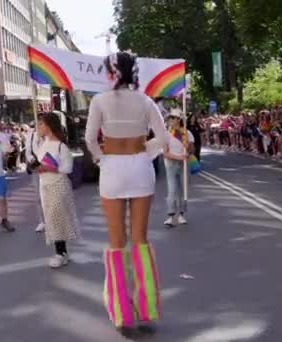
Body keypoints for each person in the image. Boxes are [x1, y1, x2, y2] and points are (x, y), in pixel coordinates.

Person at [85, 51, 169, 336]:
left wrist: (101, 159)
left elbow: (89, 138)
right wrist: (146, 153)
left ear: (111, 72)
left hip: (112, 168)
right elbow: (164, 136)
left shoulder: (99, 100)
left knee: (116, 241)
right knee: (140, 239)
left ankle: (122, 314)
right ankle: (146, 309)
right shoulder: (145, 101)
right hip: (139, 166)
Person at [34, 112, 80, 268]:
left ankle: (60, 253)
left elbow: (67, 168)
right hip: (44, 184)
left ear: (49, 125)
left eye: (41, 124)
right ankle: (62, 252)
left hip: (58, 184)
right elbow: (36, 160)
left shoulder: (61, 146)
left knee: (55, 216)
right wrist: (36, 167)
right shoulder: (41, 144)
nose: (38, 127)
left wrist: (49, 168)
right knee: (51, 218)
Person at [163, 108, 193, 227]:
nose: (171, 120)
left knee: (182, 190)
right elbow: (165, 152)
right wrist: (177, 157)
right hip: (170, 164)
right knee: (172, 190)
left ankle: (181, 215)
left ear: (179, 120)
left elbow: (192, 150)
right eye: (170, 118)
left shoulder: (187, 133)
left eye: (174, 118)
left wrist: (188, 149)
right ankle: (170, 216)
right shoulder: (166, 134)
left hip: (184, 164)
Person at [25, 119, 46, 233]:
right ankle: (42, 221)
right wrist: (35, 162)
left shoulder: (49, 135)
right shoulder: (31, 135)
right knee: (38, 196)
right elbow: (28, 152)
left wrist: (46, 163)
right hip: (36, 169)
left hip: (49, 168)